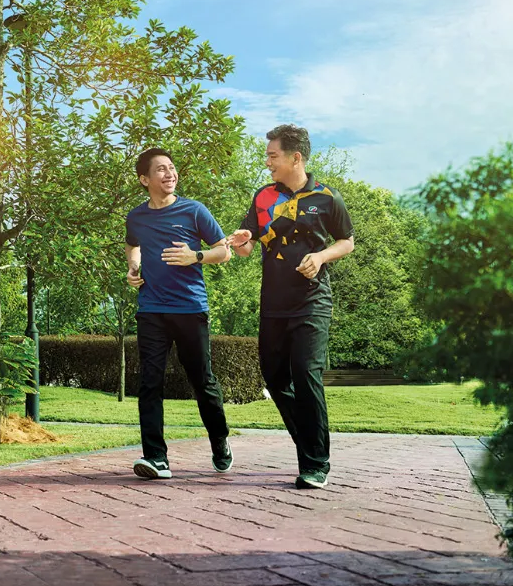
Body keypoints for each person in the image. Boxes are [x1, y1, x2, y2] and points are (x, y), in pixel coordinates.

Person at [226, 125, 354, 489]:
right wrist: (242, 239)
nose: (267, 162)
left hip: (312, 300)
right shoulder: (263, 196)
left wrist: (321, 256)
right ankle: (310, 442)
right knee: (275, 376)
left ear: (295, 157)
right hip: (273, 302)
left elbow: (347, 241)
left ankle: (315, 463)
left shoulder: (327, 197)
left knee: (305, 372)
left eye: (273, 156)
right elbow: (248, 247)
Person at [124, 147, 235, 480]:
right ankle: (156, 457)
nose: (169, 173)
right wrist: (133, 267)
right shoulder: (136, 216)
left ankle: (219, 439)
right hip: (151, 309)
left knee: (202, 381)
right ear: (144, 179)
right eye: (161, 169)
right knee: (149, 382)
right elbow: (133, 244)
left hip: (190, 308)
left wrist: (195, 257)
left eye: (171, 168)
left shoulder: (194, 211)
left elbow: (224, 251)